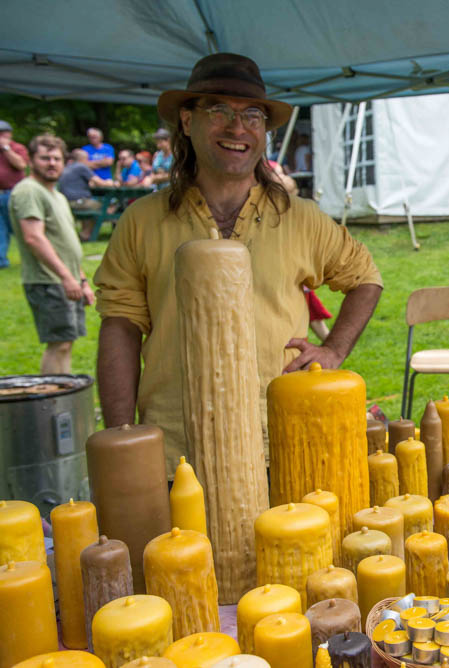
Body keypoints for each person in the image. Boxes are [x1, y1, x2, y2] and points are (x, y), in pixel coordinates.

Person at [94, 52, 383, 471]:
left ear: (264, 130)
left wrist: (334, 349)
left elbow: (365, 278)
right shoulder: (142, 220)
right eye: (218, 111)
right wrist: (122, 439)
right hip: (176, 449)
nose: (237, 127)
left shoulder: (299, 218)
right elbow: (120, 325)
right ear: (187, 122)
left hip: (281, 441)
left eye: (252, 115)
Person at [9, 134, 94, 374]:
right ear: (32, 160)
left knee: (66, 343)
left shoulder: (57, 195)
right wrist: (66, 277)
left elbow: (65, 243)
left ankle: (63, 401)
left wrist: (82, 280)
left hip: (65, 279)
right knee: (58, 344)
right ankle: (51, 405)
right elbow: (33, 237)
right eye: (45, 158)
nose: (51, 163)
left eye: (56, 158)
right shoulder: (28, 190)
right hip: (47, 280)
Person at [58, 148, 114, 241]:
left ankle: (85, 232)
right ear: (83, 159)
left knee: (93, 205)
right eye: (88, 159)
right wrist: (109, 182)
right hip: (77, 201)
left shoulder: (68, 167)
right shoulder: (81, 167)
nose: (89, 161)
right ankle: (87, 234)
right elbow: (100, 182)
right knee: (104, 207)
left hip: (66, 201)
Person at [0, 119, 29, 268]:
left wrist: (5, 148)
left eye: (2, 134)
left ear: (9, 135)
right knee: (0, 230)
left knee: (22, 228)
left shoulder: (17, 148)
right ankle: (1, 261)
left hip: (15, 194)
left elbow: (21, 164)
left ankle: (31, 259)